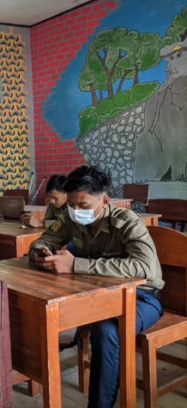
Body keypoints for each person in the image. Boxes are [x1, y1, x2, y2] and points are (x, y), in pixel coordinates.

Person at [28, 165, 164, 408]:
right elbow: (45, 239)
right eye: (72, 205)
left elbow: (144, 267)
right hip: (96, 294)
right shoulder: (69, 217)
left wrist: (76, 264)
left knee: (106, 330)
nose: (77, 211)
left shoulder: (127, 222)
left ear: (105, 201)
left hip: (142, 297)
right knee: (40, 309)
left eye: (84, 205)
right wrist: (41, 251)